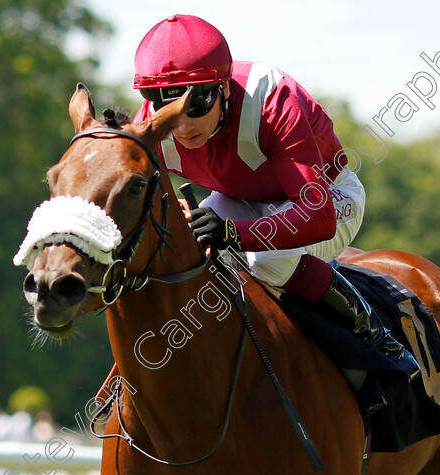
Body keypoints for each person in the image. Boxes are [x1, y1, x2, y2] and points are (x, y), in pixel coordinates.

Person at [132, 14, 419, 409]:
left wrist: (233, 233)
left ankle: (368, 329)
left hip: (327, 199)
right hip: (242, 200)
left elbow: (316, 216)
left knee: (266, 261)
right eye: (168, 104)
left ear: (223, 89)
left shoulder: (272, 100)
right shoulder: (147, 127)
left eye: (197, 101)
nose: (183, 124)